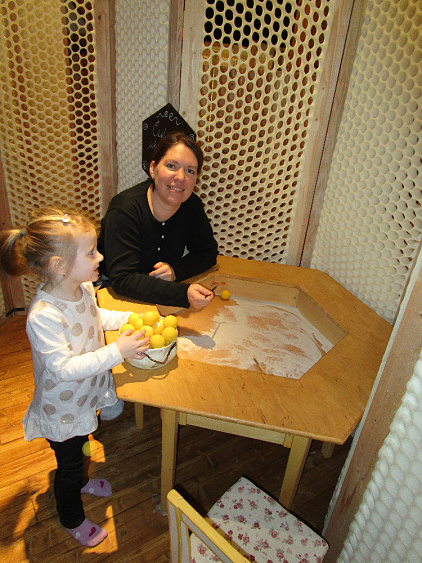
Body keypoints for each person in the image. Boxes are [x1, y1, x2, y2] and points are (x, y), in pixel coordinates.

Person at [0, 208, 150, 547]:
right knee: (67, 466)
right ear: (59, 265)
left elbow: (95, 317)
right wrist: (117, 351)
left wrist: (128, 319)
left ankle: (82, 478)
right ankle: (71, 516)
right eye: (91, 252)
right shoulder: (43, 316)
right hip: (63, 410)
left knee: (83, 445)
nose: (100, 257)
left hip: (83, 398)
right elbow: (64, 369)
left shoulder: (83, 288)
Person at [98, 131, 218, 308]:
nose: (180, 177)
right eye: (171, 166)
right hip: (114, 293)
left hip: (161, 294)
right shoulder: (125, 209)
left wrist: (175, 271)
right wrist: (182, 293)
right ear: (153, 169)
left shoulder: (191, 205)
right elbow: (123, 279)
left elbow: (207, 252)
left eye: (190, 171)